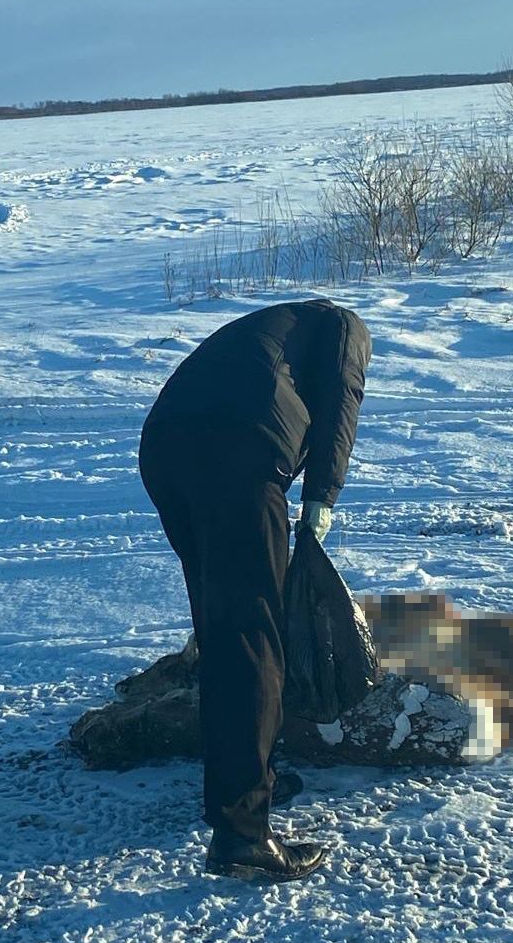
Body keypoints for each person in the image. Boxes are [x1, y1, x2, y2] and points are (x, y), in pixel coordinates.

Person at [138, 298, 371, 883]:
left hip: (165, 449)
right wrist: (322, 497)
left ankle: (248, 782)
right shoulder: (344, 325)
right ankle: (242, 833)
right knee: (253, 637)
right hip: (239, 448)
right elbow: (342, 401)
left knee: (223, 627)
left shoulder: (272, 331)